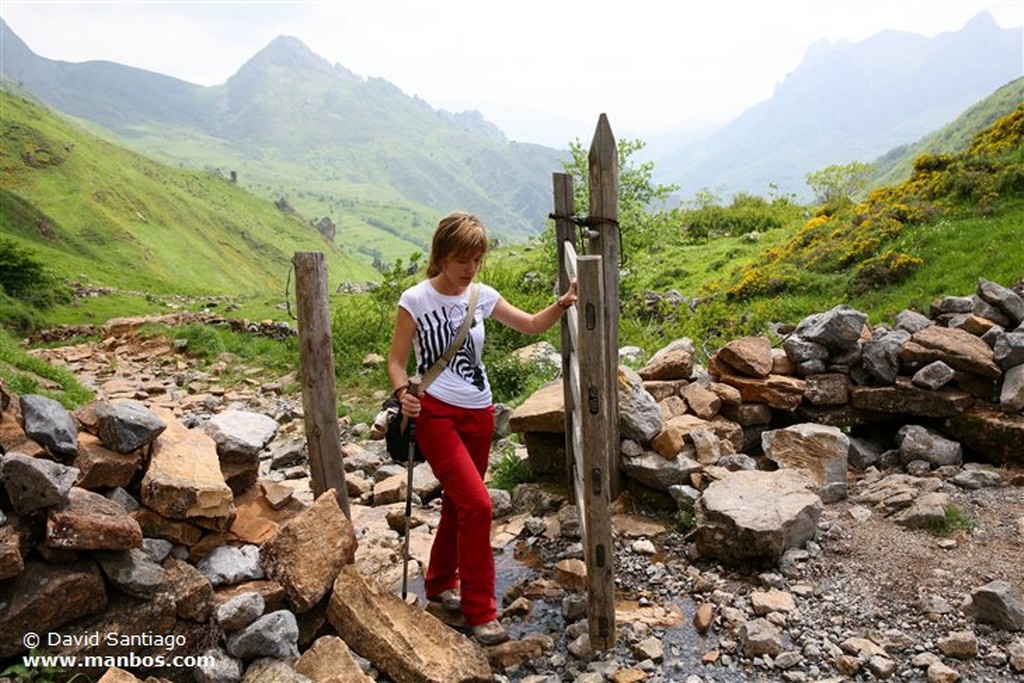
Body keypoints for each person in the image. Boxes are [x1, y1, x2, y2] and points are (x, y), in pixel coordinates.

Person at [387, 211, 577, 646]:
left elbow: (529, 324)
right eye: (461, 259)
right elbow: (397, 362)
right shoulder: (414, 299)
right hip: (435, 414)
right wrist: (403, 395)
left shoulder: (482, 295)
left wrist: (563, 302)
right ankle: (480, 611)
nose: (469, 269)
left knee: (459, 505)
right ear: (440, 255)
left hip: (480, 413)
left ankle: (437, 584)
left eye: (476, 259)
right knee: (478, 505)